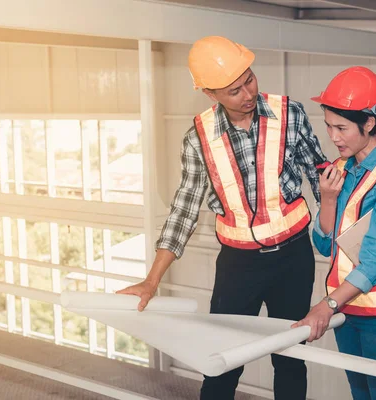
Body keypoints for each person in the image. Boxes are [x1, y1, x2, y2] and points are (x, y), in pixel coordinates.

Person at [116, 36, 328, 400]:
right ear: (211, 95)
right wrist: (152, 281)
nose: (247, 93)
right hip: (238, 265)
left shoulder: (290, 114)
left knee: (291, 358)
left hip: (294, 257)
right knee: (221, 361)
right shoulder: (198, 139)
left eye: (249, 79)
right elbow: (183, 209)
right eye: (233, 90)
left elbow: (322, 177)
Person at [292, 66, 376, 400]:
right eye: (328, 126)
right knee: (360, 396)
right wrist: (326, 200)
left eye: (341, 127)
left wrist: (325, 305)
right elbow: (325, 246)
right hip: (348, 312)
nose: (333, 137)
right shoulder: (340, 170)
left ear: (369, 122)